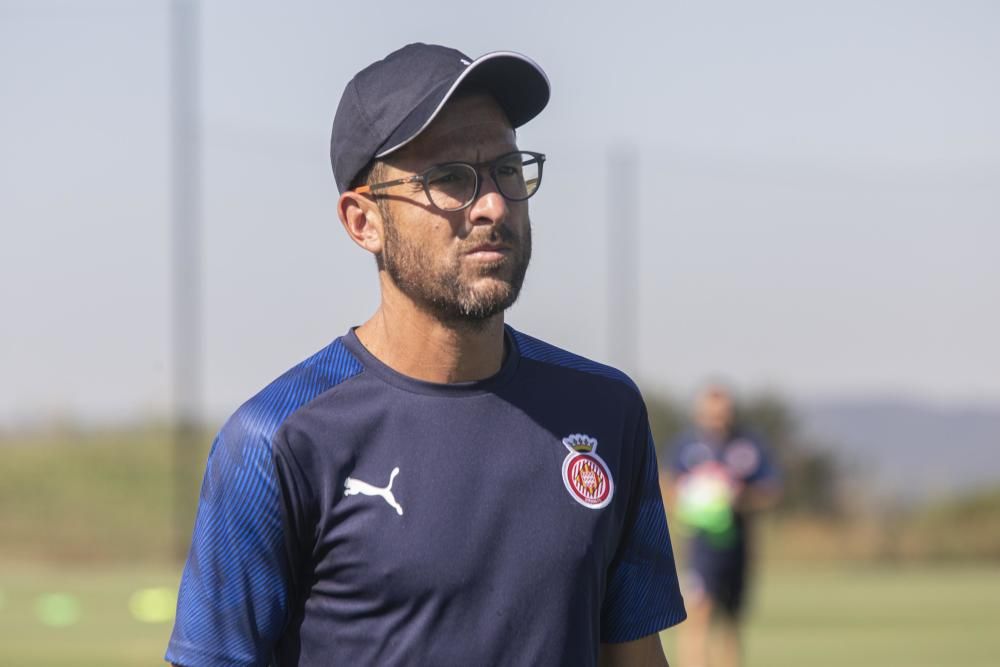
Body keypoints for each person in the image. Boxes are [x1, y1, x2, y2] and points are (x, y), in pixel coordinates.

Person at [165, 43, 686, 667]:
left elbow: (631, 655)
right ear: (364, 222)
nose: (493, 204)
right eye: (448, 179)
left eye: (507, 169)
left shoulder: (605, 411)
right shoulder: (276, 441)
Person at [667, 384, 782, 667]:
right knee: (698, 614)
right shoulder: (686, 446)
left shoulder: (749, 445)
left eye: (724, 415)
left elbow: (771, 490)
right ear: (700, 414)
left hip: (737, 544)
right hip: (701, 546)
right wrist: (692, 500)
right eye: (712, 415)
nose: (718, 421)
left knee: (731, 620)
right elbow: (667, 486)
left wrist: (741, 497)